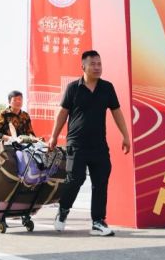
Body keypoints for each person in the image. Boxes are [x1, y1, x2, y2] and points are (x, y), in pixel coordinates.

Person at [48, 50, 130, 236]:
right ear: (83, 66)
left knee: (101, 180)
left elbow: (117, 112)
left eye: (99, 64)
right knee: (76, 178)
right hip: (76, 143)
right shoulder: (73, 88)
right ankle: (63, 210)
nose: (97, 67)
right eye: (93, 64)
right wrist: (54, 136)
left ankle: (98, 221)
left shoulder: (107, 88)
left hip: (99, 144)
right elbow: (62, 113)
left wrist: (125, 136)